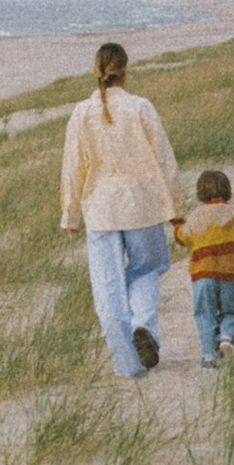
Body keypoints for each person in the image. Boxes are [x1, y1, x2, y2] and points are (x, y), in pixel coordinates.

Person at [59, 42, 181, 377]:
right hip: (142, 203)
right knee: (146, 268)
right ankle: (143, 325)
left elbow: (72, 167)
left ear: (95, 71)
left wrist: (70, 214)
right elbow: (164, 160)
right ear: (125, 70)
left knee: (107, 284)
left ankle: (128, 365)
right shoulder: (141, 107)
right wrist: (176, 208)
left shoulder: (81, 112)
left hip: (100, 208)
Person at [174, 166, 234, 369]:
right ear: (228, 191)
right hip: (232, 273)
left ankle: (209, 356)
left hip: (203, 275)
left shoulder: (196, 216)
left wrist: (176, 224)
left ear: (200, 194)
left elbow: (183, 236)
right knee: (231, 311)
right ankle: (226, 336)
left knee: (204, 314)